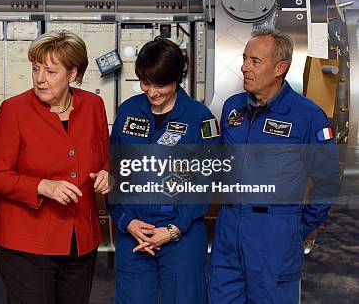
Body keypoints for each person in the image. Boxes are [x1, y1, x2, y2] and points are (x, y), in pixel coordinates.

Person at [208, 28, 339, 303]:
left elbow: (327, 182)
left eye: (254, 61)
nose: (243, 67)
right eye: (244, 58)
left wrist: (297, 226)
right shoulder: (233, 109)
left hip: (275, 234)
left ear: (280, 68)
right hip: (229, 228)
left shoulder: (307, 116)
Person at [0, 31, 110, 304]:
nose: (40, 79)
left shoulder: (94, 105)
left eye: (51, 71)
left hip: (80, 242)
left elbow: (105, 157)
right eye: (35, 69)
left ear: (73, 73)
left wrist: (107, 174)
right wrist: (43, 186)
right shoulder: (13, 110)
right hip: (27, 244)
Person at [107, 37, 220, 304]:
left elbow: (207, 183)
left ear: (177, 79)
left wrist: (172, 229)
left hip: (182, 235)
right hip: (134, 232)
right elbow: (113, 174)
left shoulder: (201, 120)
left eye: (161, 85)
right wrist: (126, 221)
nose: (152, 92)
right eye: (146, 83)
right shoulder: (128, 112)